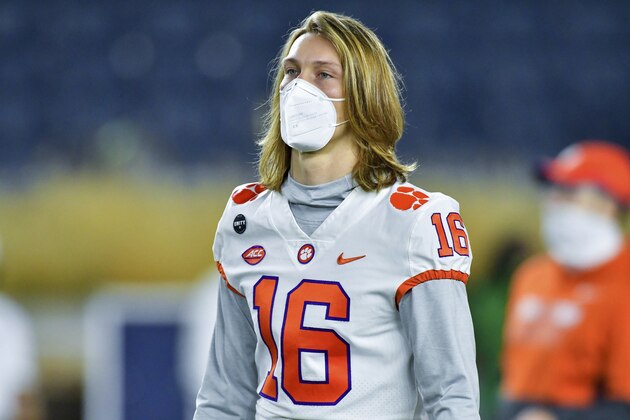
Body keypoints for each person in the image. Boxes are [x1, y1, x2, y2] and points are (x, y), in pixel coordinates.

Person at [195, 11, 480, 420]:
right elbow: (225, 394)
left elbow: (451, 397)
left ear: (364, 95)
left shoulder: (416, 220)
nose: (299, 88)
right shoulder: (246, 215)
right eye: (291, 72)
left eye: (323, 74)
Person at [498, 140, 630, 420]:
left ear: (608, 204)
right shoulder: (531, 275)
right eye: (553, 191)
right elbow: (511, 381)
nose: (554, 202)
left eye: (569, 192)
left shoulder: (624, 280)